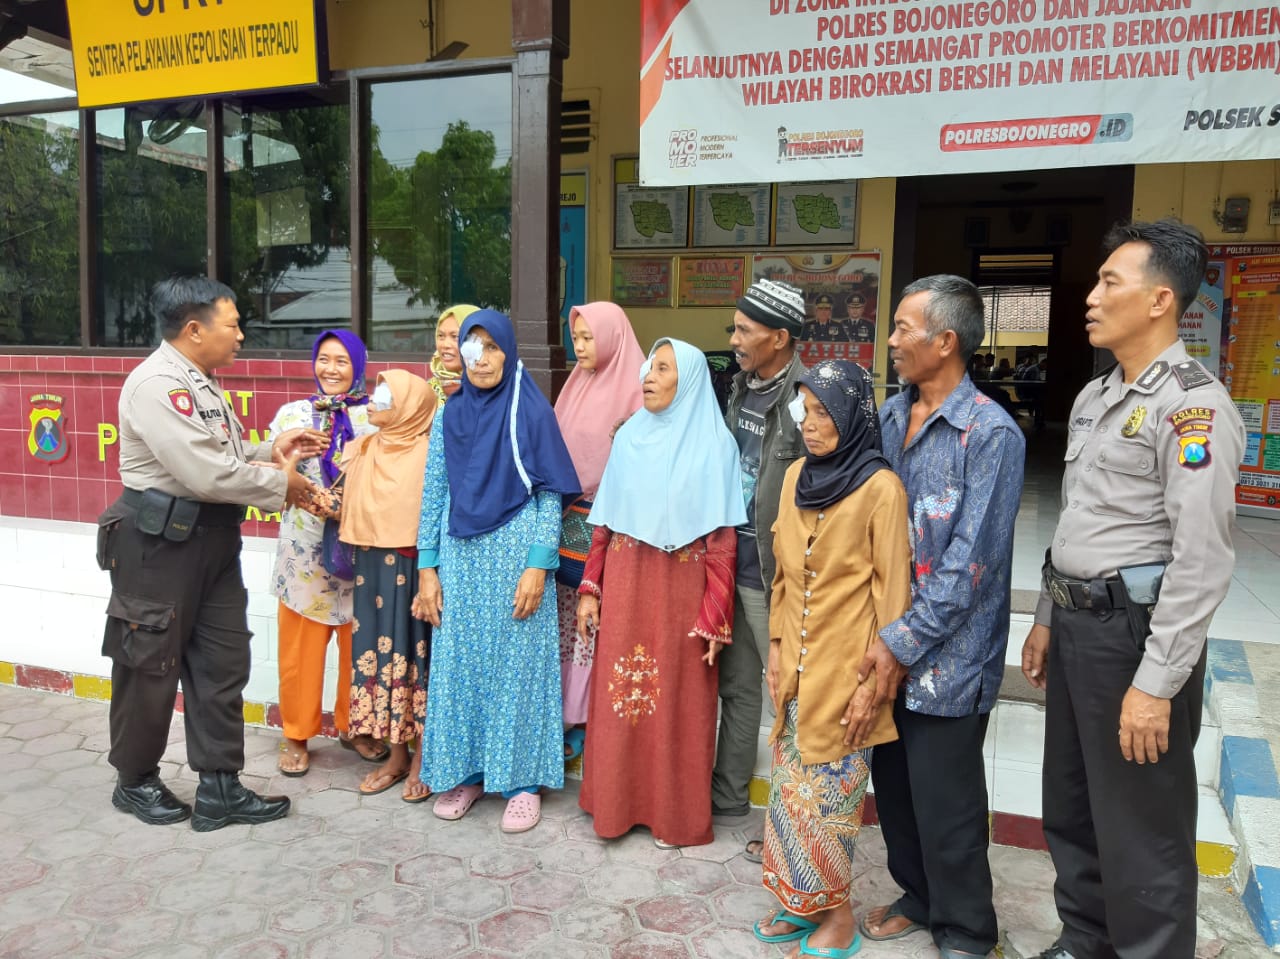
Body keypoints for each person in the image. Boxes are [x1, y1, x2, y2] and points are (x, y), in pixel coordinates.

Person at [1020, 220, 1245, 959]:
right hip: (1077, 626)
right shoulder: (1095, 396)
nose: (1090, 297)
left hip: (1136, 638)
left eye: (1109, 282)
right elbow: (1078, 521)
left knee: (1142, 824)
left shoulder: (1193, 407)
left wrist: (1155, 684)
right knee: (1073, 802)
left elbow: (1200, 560)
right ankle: (1085, 938)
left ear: (1158, 299)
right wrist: (1047, 614)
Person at [97, 276, 319, 831]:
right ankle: (135, 781)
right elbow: (203, 472)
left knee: (222, 663)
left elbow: (222, 455)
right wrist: (283, 485)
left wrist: (269, 450)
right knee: (149, 664)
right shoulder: (157, 384)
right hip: (158, 545)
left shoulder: (201, 382)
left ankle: (221, 788)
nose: (241, 335)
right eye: (233, 324)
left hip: (212, 541)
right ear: (195, 330)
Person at [857, 275, 1025, 958]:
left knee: (946, 803)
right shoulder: (890, 416)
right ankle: (919, 897)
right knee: (895, 789)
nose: (892, 340)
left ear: (946, 341)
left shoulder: (990, 433)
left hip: (949, 658)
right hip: (885, 644)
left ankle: (966, 929)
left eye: (904, 328)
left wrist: (900, 643)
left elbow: (969, 566)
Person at [752, 360, 912, 958]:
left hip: (848, 677)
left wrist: (876, 685)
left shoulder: (881, 489)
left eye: (824, 413)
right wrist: (775, 648)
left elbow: (894, 599)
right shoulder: (797, 475)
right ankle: (802, 904)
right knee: (790, 796)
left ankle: (838, 918)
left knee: (829, 804)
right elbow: (782, 578)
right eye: (805, 411)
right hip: (794, 670)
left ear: (851, 416)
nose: (810, 424)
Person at [415, 310, 580, 833]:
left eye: (491, 347)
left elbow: (550, 494)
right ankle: (466, 774)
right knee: (460, 668)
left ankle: (522, 782)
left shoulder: (531, 411)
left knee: (519, 671)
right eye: (473, 348)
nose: (481, 359)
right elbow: (434, 492)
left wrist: (538, 566)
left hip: (516, 560)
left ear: (509, 352)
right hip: (460, 562)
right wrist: (427, 568)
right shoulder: (450, 414)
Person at [576, 338, 743, 847]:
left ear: (687, 381)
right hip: (627, 583)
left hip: (683, 590)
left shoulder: (716, 446)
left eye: (663, 369)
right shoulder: (629, 438)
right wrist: (590, 589)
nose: (647, 376)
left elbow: (722, 540)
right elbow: (604, 523)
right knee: (621, 694)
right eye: (649, 366)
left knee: (678, 699)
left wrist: (715, 616)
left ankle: (674, 816)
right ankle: (615, 805)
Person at [304, 370, 436, 802]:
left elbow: (440, 518)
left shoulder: (431, 453)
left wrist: (432, 577)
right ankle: (396, 756)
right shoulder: (365, 448)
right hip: (371, 573)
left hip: (416, 572)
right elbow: (338, 504)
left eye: (386, 396)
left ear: (409, 408)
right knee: (380, 661)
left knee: (416, 659)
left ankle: (422, 759)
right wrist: (290, 483)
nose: (375, 401)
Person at [712, 278, 808, 850]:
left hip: (777, 572)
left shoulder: (809, 397)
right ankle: (728, 798)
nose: (734, 339)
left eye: (745, 330)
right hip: (732, 560)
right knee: (738, 685)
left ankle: (792, 823)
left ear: (780, 337)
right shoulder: (739, 387)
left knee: (788, 690)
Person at [270, 330, 384, 778]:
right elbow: (270, 476)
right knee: (300, 652)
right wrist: (288, 458)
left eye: (342, 361)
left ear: (358, 366)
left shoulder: (375, 416)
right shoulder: (293, 415)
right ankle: (296, 734)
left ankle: (355, 727)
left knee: (360, 647)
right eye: (324, 359)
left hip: (360, 546)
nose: (331, 369)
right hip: (304, 552)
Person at [553, 301, 645, 759]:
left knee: (600, 627)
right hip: (568, 522)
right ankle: (567, 714)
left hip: (614, 528)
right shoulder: (574, 385)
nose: (580, 346)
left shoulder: (639, 389)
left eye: (589, 337)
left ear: (612, 337)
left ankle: (593, 719)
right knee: (569, 625)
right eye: (576, 338)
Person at [427, 304, 478, 406]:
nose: (445, 345)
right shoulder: (426, 392)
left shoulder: (493, 391)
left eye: (455, 337)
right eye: (441, 336)